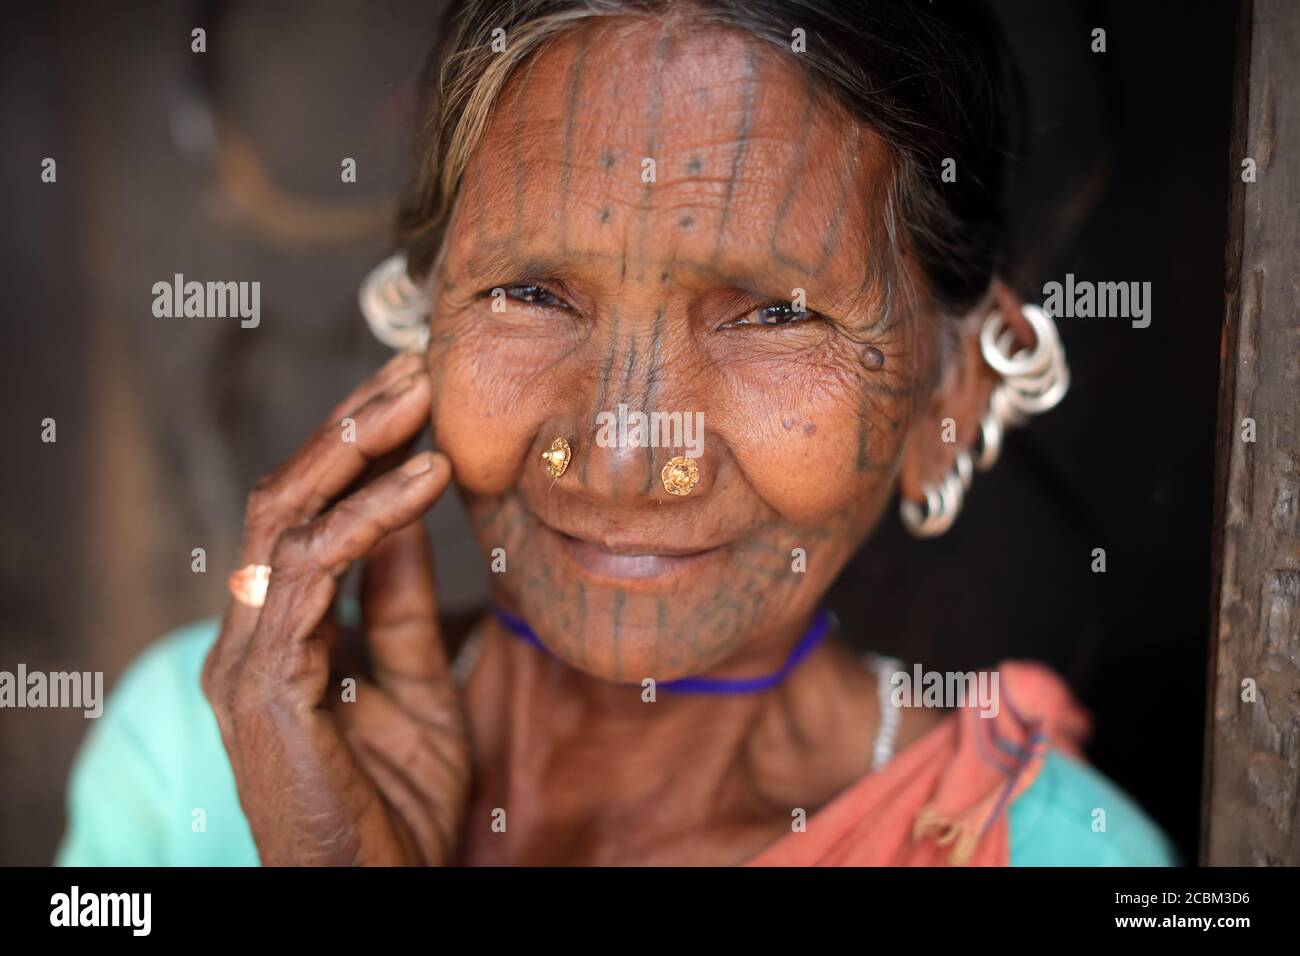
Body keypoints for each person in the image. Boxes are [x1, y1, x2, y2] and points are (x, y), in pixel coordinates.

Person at [58, 0, 1176, 866]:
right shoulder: (211, 744)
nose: (624, 454)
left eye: (774, 313)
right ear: (421, 324)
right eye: (532, 292)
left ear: (954, 398)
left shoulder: (1045, 851)